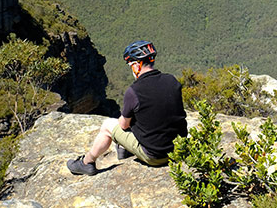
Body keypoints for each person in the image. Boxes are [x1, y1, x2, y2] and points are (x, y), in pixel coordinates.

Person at [67, 40, 187, 175]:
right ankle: (125, 149)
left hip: (156, 157)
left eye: (131, 65)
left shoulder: (134, 91)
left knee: (108, 125)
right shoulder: (172, 80)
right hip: (179, 150)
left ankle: (86, 163)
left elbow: (124, 126)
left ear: (136, 65)